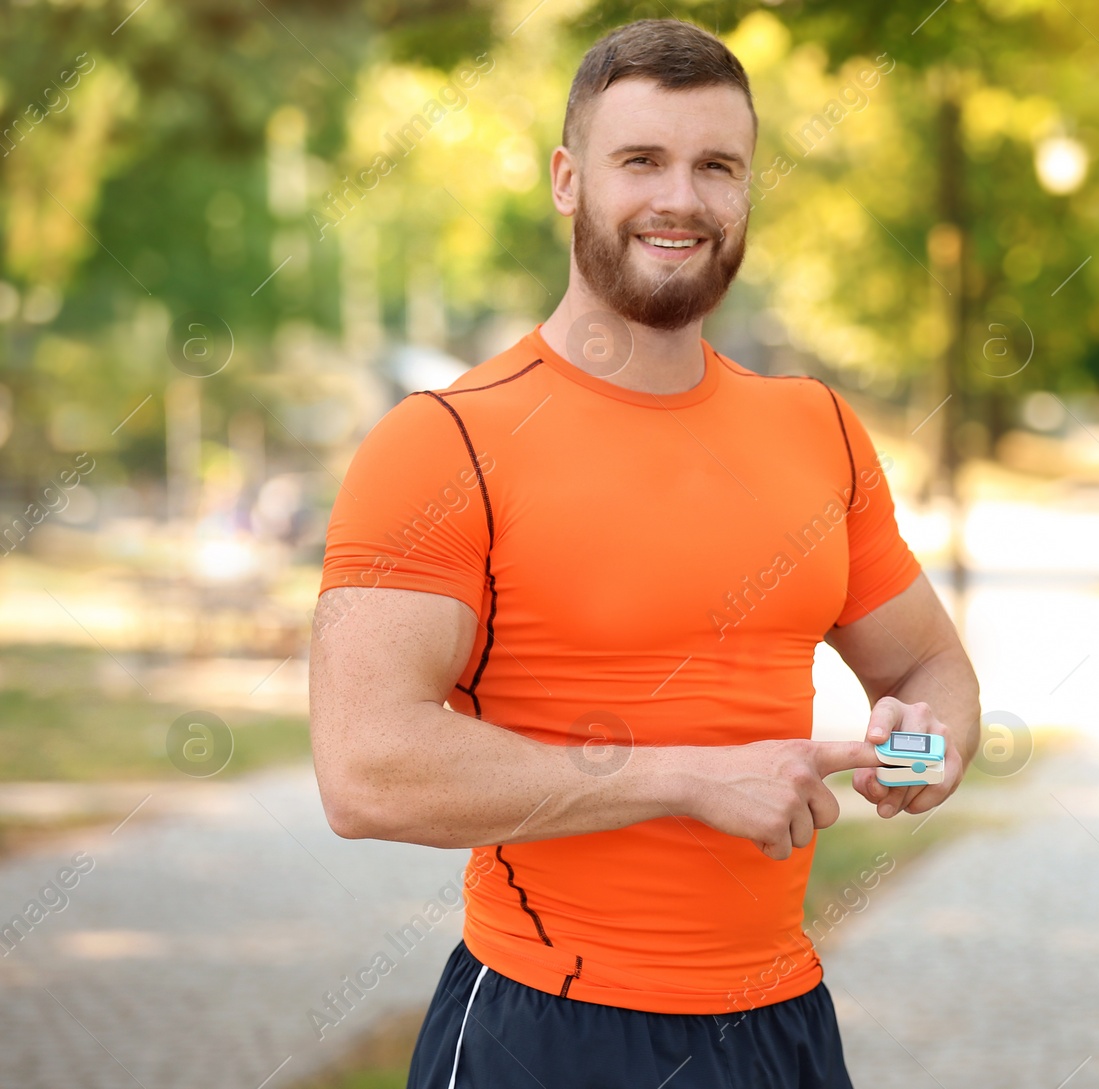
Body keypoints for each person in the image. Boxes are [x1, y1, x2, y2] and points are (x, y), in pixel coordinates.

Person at [309, 17, 980, 1089]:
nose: (681, 199)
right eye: (641, 161)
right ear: (568, 181)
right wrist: (682, 779)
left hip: (783, 1024)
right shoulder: (444, 441)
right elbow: (365, 771)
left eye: (716, 166)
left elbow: (927, 671)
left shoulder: (818, 427)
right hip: (551, 1025)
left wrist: (920, 748)